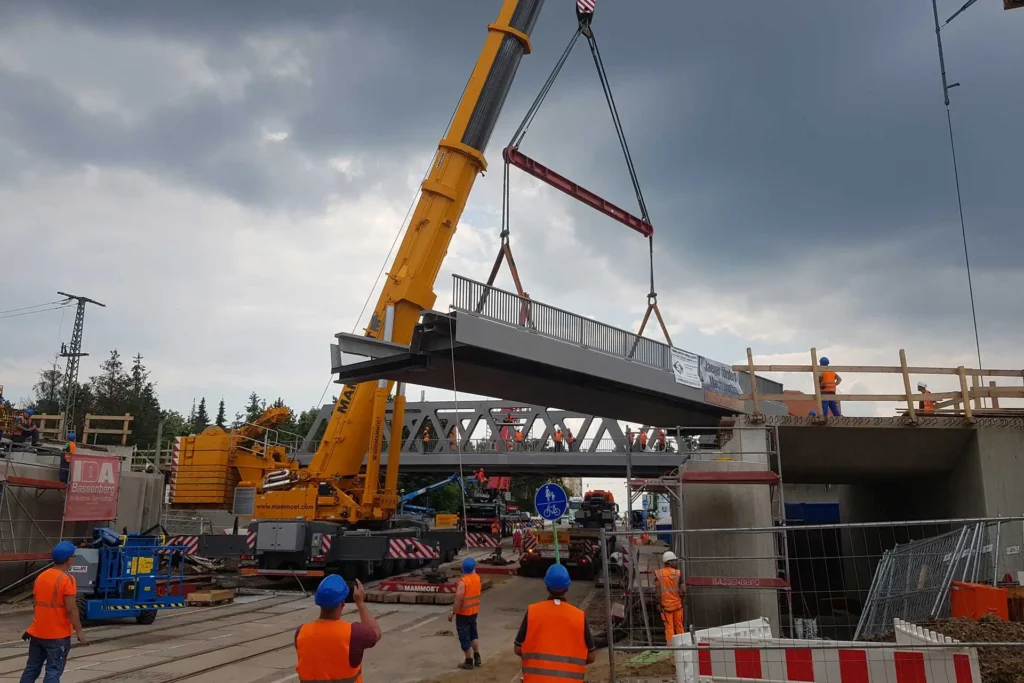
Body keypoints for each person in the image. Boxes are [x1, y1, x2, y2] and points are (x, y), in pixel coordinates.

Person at [19, 540, 88, 683]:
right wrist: (79, 632)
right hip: (58, 636)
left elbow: (37, 606)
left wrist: (32, 628)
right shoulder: (67, 579)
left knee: (32, 668)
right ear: (68, 560)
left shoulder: (41, 577)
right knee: (53, 671)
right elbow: (71, 609)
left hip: (38, 634)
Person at [515, 564, 596, 682]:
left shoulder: (533, 612)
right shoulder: (579, 616)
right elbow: (591, 656)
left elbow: (518, 648)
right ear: (567, 588)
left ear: (547, 586)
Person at [294, 575, 380, 683]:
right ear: (342, 603)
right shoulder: (354, 633)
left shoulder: (301, 632)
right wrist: (360, 602)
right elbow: (375, 631)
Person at [448, 558, 482, 669]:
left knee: (464, 636)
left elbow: (459, 599)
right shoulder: (477, 578)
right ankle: (477, 657)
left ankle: (468, 661)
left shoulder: (463, 582)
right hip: (474, 612)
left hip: (463, 614)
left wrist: (453, 612)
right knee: (473, 634)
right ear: (473, 568)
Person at [656, 551, 685, 643]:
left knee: (669, 627)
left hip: (665, 607)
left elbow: (657, 592)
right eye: (674, 561)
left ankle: (671, 649)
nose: (676, 563)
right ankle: (682, 645)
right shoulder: (678, 573)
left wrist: (658, 603)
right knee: (679, 626)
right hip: (677, 606)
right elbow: (683, 590)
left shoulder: (659, 574)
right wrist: (681, 599)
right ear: (670, 562)